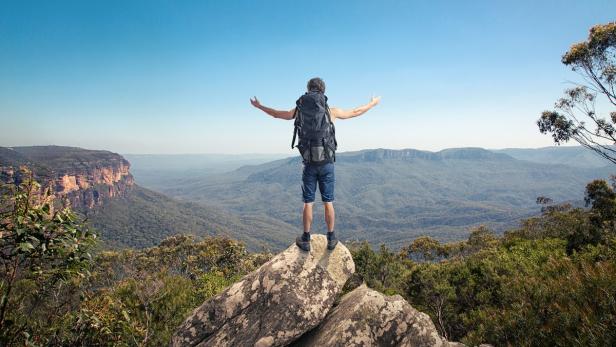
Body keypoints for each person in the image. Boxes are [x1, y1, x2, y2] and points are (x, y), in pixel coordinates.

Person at [250, 77, 380, 251]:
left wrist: (259, 106)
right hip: (327, 163)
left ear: (308, 90)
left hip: (309, 162)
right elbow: (355, 112)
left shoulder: (299, 110)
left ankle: (305, 238)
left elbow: (277, 114)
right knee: (328, 202)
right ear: (323, 91)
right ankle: (331, 237)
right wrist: (372, 103)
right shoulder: (330, 111)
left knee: (308, 203)